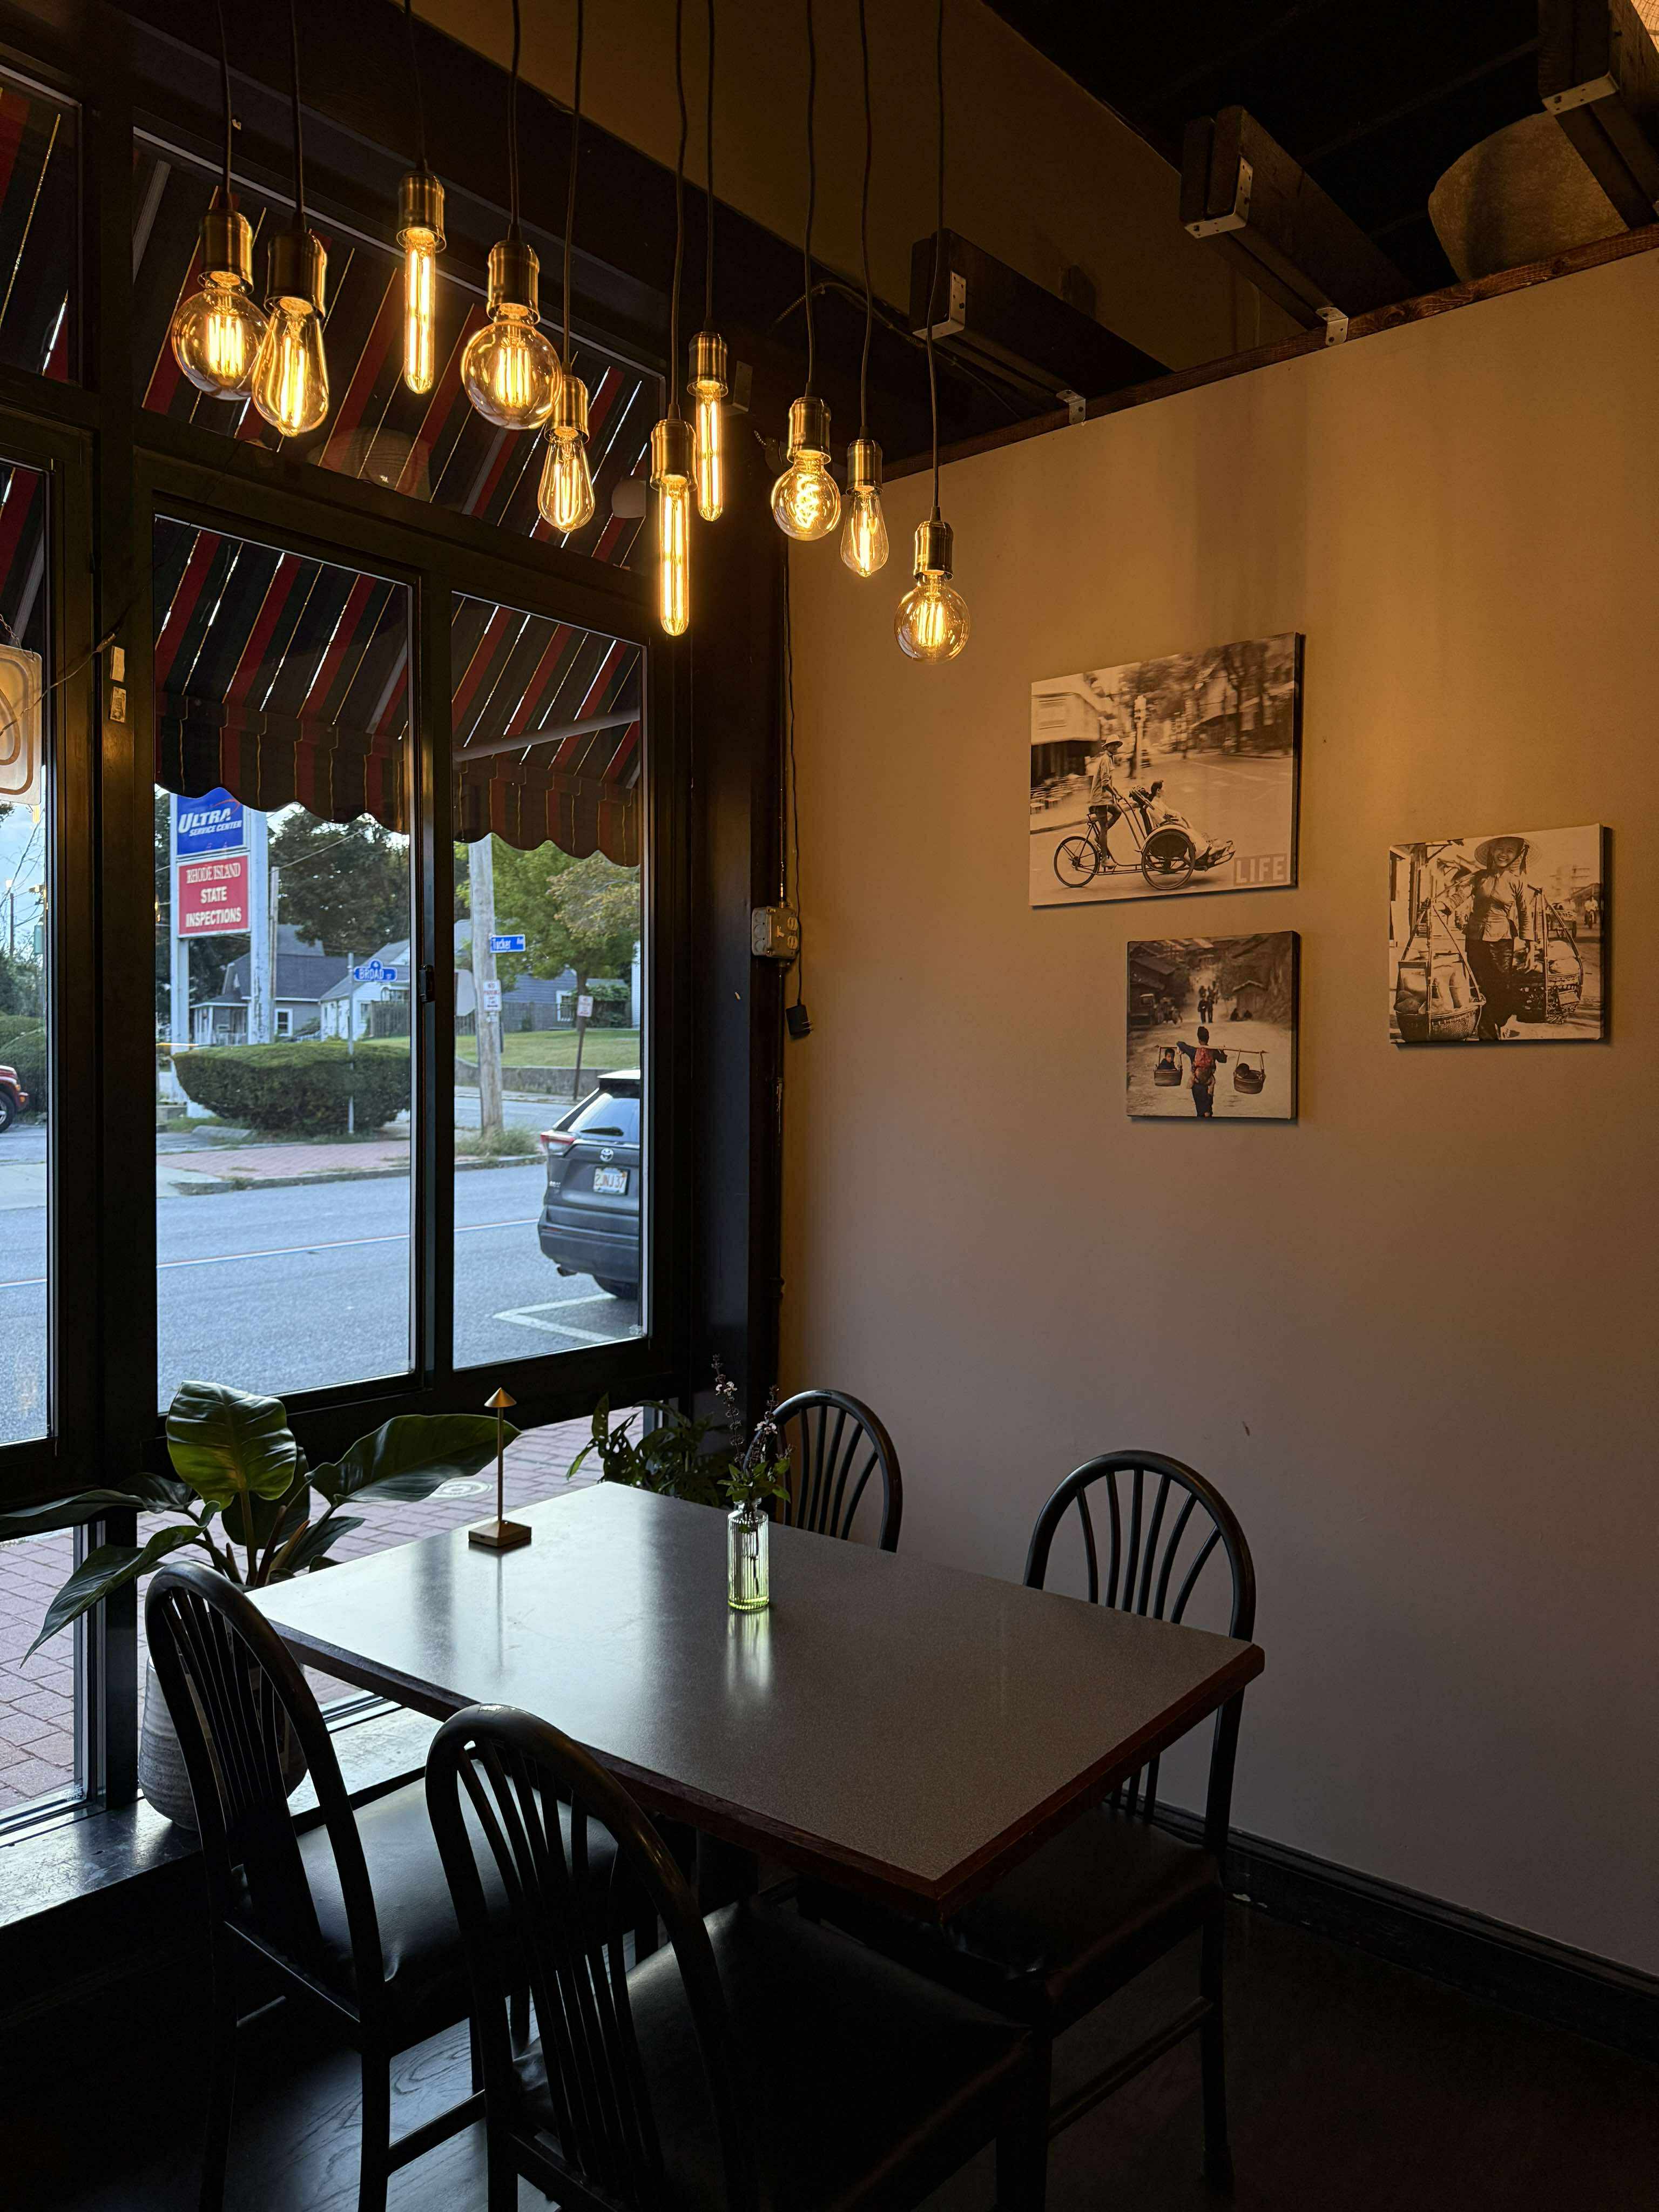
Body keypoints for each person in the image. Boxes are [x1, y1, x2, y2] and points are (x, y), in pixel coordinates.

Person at [1464, 835, 1531, 1041]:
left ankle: (1500, 1022)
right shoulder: (1479, 878)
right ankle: (1487, 1034)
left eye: (1510, 850)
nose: (1504, 854)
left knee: (1502, 987)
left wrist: (1531, 949)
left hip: (1502, 940)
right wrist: (1444, 906)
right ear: (1492, 851)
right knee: (1479, 986)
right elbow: (1460, 894)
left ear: (1517, 855)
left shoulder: (1517, 883)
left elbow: (1525, 914)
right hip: (1475, 938)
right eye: (1500, 849)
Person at [1177, 1024, 1228, 1118]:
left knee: (1200, 1110)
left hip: (1197, 1085)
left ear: (1199, 1040)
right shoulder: (1213, 1051)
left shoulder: (1194, 1051)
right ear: (1208, 1039)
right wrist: (1222, 1051)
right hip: (1209, 1085)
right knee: (1208, 1110)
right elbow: (1224, 1060)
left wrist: (1184, 1049)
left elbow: (1179, 1043)